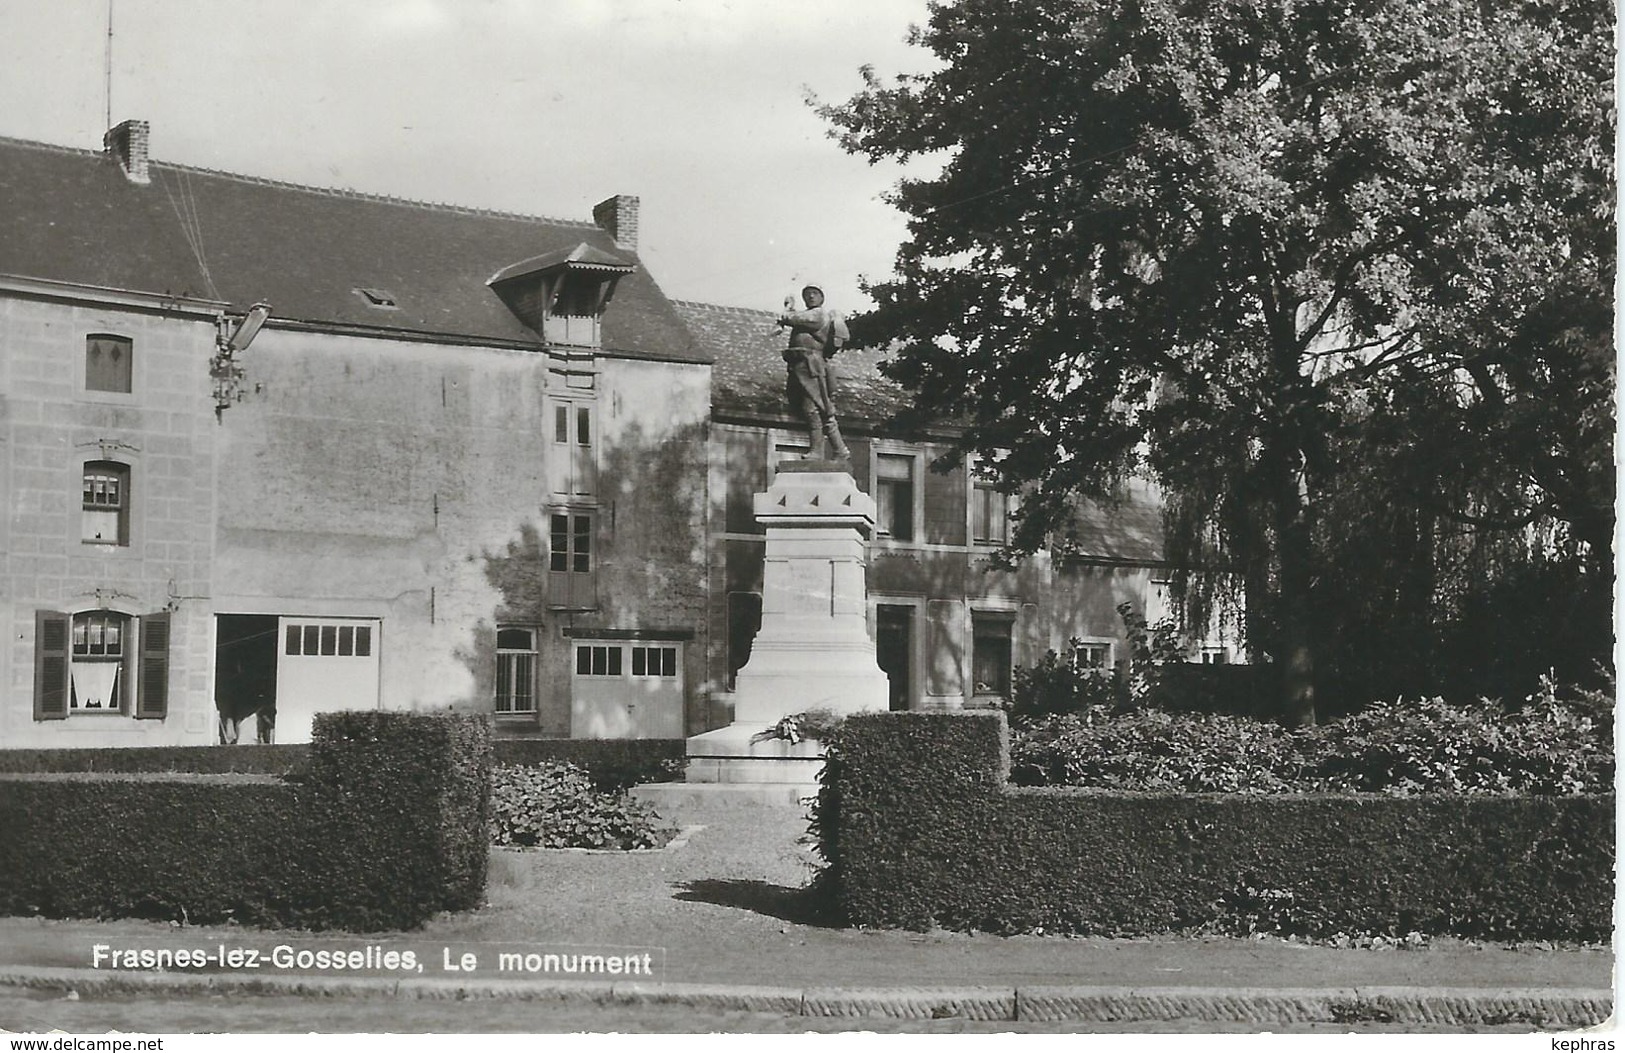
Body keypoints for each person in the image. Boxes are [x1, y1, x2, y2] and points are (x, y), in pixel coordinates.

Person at [776, 285, 851, 461]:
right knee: (815, 409)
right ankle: (839, 450)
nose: (810, 296)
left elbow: (794, 319)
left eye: (815, 293)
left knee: (814, 408)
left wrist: (787, 312)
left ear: (822, 297)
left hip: (811, 365)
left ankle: (819, 451)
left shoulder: (818, 314)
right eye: (807, 294)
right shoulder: (806, 315)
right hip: (799, 365)